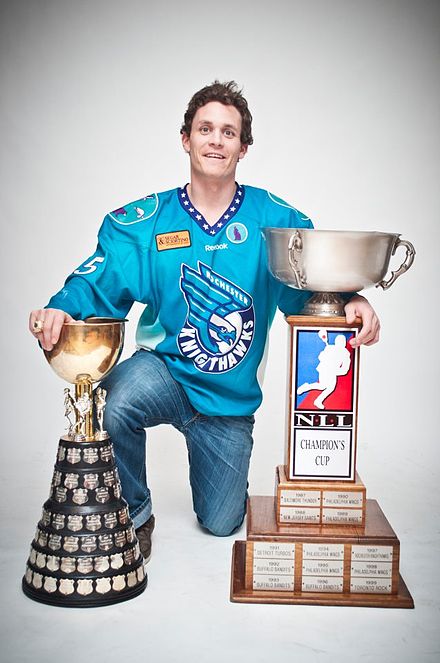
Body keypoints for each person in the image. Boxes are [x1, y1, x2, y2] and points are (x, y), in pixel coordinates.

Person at [29, 81, 380, 559]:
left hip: (227, 402)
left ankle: (215, 471)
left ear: (243, 147)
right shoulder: (148, 221)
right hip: (165, 372)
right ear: (186, 139)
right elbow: (100, 277)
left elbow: (310, 286)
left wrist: (349, 300)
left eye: (228, 132)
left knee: (221, 523)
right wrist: (63, 306)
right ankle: (134, 515)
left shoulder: (275, 220)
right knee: (114, 403)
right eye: (206, 129)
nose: (216, 140)